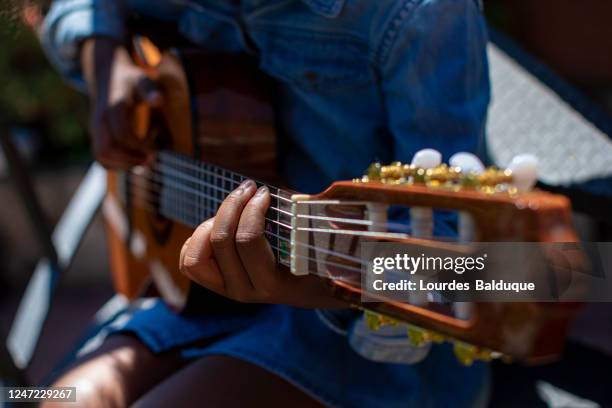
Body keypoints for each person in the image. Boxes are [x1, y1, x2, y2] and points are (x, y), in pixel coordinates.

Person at [40, 0, 491, 406]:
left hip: (362, 339)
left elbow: (455, 266)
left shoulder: (419, 12)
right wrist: (102, 58)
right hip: (200, 301)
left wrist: (313, 284)